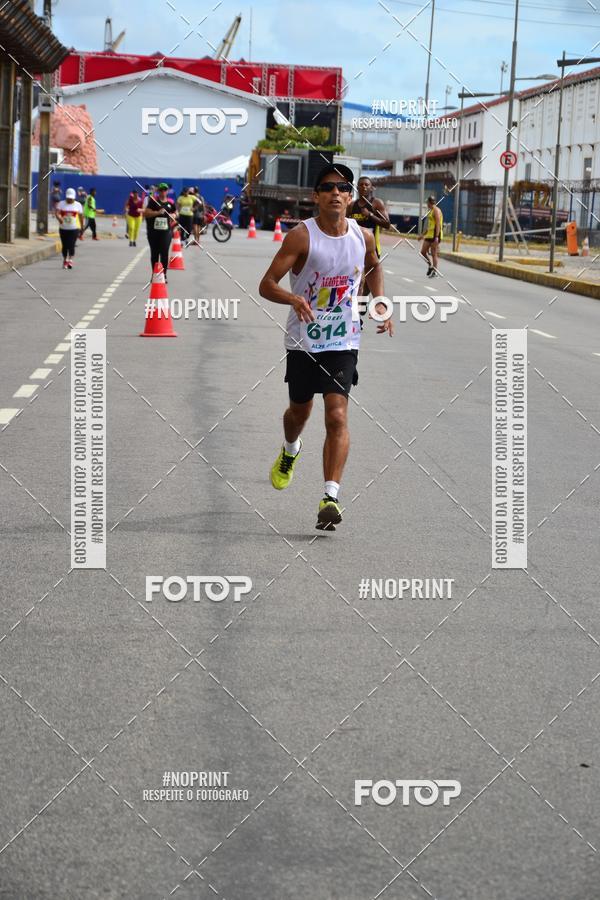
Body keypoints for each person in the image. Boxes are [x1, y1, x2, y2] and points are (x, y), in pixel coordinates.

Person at [259, 163, 394, 531]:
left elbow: (373, 267)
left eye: (343, 187)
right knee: (298, 414)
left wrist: (380, 301)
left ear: (350, 197)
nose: (336, 192)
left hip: (343, 339)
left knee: (336, 415)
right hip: (303, 341)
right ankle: (290, 449)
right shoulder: (301, 237)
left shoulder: (363, 237)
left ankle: (330, 497)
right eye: (328, 187)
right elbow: (266, 284)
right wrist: (293, 298)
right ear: (315, 196)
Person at [349, 176, 390, 259]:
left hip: (372, 249)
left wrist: (370, 215)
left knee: (372, 268)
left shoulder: (377, 203)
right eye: (361, 185)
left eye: (366, 185)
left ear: (371, 188)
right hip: (355, 249)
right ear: (357, 188)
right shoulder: (352, 205)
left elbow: (387, 224)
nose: (364, 187)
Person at [143, 182, 177, 278]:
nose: (163, 192)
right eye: (161, 190)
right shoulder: (153, 201)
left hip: (166, 232)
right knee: (155, 253)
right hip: (153, 232)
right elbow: (146, 213)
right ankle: (154, 274)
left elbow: (175, 212)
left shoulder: (170, 203)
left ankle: (163, 275)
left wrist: (174, 215)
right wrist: (158, 212)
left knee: (164, 252)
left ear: (167, 191)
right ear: (158, 191)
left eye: (165, 190)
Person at [55, 187, 83, 269]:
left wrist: (82, 227)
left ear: (74, 197)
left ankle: (70, 260)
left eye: (71, 198)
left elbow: (81, 217)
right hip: (63, 228)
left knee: (71, 245)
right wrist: (59, 218)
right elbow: (57, 213)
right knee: (64, 245)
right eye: (68, 198)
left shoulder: (78, 205)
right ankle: (65, 260)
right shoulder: (61, 204)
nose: (69, 200)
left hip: (74, 229)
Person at [420, 195, 443, 277]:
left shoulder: (436, 210)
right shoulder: (431, 211)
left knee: (434, 253)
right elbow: (430, 225)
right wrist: (422, 235)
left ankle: (435, 271)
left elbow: (438, 224)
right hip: (429, 235)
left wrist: (436, 237)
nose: (427, 204)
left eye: (427, 202)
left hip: (435, 235)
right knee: (423, 252)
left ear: (429, 203)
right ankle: (430, 265)